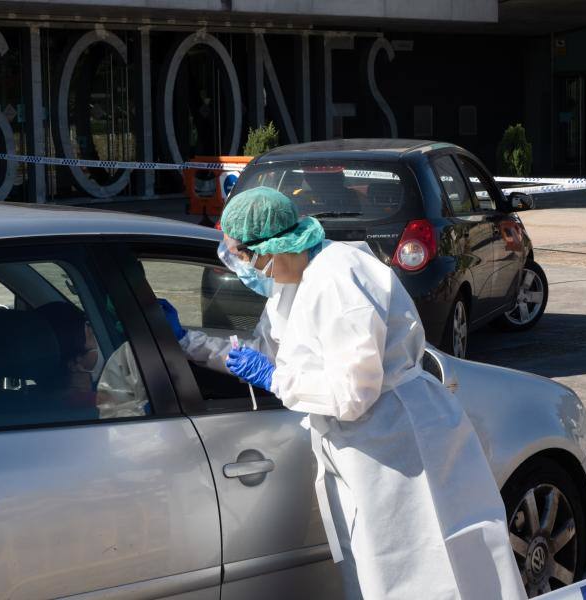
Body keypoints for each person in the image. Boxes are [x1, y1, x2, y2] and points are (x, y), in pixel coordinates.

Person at [160, 186, 527, 600]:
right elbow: (265, 351)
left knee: (426, 570)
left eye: (245, 257)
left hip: (399, 440)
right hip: (361, 447)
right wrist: (187, 341)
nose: (246, 270)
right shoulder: (291, 282)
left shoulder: (340, 278)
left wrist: (276, 379)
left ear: (273, 246)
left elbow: (354, 392)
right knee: (379, 569)